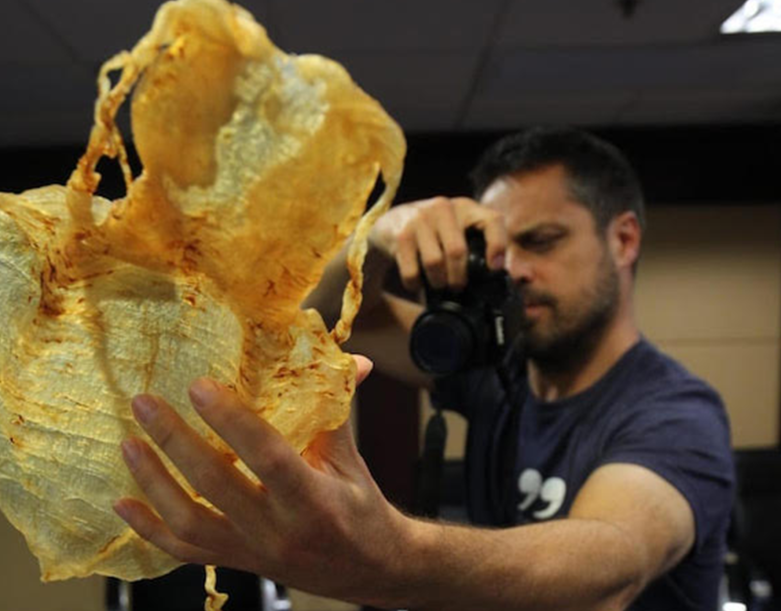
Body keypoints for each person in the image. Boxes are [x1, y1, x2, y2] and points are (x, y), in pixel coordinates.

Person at [112, 126, 735, 610]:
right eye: (499, 249)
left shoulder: (675, 412)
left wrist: (393, 555)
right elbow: (300, 315)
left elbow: (610, 566)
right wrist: (374, 241)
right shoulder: (499, 374)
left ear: (623, 241)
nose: (513, 271)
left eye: (542, 242)